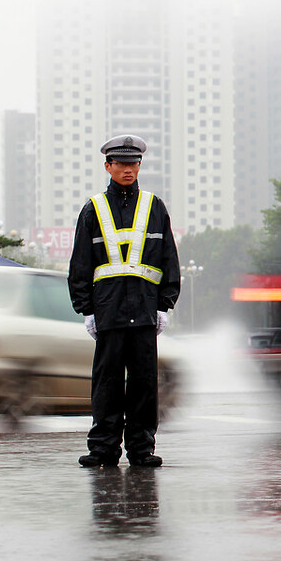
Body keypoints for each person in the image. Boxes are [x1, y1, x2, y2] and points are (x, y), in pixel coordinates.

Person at [69, 134, 180, 467]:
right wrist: (86, 309)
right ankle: (102, 449)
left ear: (139, 165)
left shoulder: (154, 207)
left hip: (145, 310)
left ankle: (142, 449)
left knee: (145, 386)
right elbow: (80, 264)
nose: (128, 169)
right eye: (121, 164)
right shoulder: (93, 209)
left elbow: (168, 259)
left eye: (133, 163)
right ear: (108, 166)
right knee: (107, 384)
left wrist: (165, 305)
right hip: (108, 311)